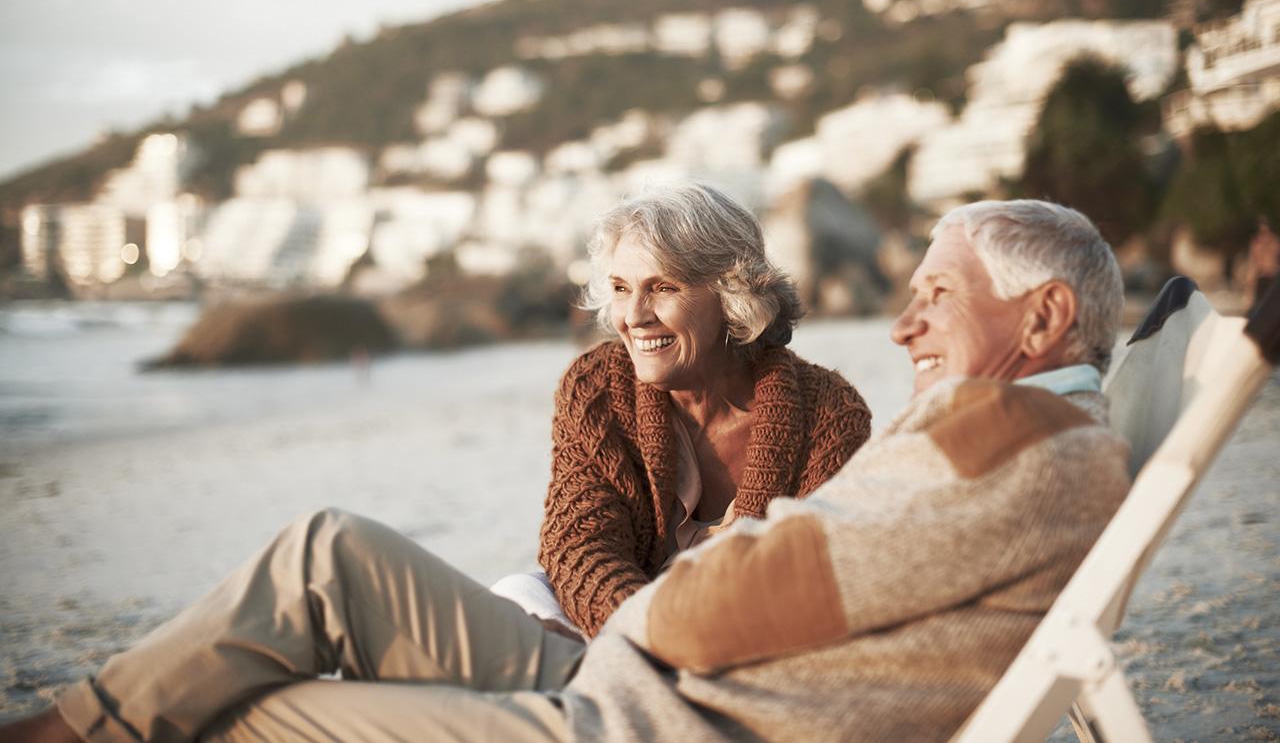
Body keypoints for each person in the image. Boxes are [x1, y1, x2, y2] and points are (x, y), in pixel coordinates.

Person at [2, 199, 1131, 743]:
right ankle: (61, 729)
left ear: (1045, 315)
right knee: (325, 551)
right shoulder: (1033, 446)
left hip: (652, 714)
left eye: (934, 295)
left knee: (259, 713)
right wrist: (663, 598)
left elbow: (751, 595)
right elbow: (623, 552)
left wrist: (670, 598)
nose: (904, 325)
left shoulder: (997, 442)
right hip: (632, 672)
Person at [495, 183, 872, 637]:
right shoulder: (596, 385)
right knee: (515, 594)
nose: (634, 316)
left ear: (733, 294)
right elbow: (579, 547)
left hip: (745, 640)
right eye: (620, 288)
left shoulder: (828, 412)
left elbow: (816, 576)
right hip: (629, 631)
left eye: (663, 288)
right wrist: (653, 638)